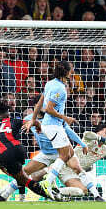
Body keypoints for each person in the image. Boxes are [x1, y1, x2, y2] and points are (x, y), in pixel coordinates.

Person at [0, 100, 88, 202]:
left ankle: (95, 194)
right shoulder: (28, 119)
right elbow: (17, 132)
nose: (45, 107)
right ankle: (3, 193)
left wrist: (82, 144)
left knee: (78, 171)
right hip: (46, 154)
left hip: (62, 152)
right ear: (35, 106)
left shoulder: (53, 118)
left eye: (45, 105)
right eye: (42, 105)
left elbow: (69, 131)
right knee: (24, 173)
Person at [22, 61, 89, 200]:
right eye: (71, 69)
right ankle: (48, 181)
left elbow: (40, 103)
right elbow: (48, 109)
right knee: (65, 155)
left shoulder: (50, 83)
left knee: (68, 153)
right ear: (66, 72)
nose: (73, 71)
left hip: (50, 125)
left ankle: (5, 192)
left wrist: (34, 119)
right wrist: (66, 118)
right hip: (53, 125)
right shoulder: (60, 88)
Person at [0, 99, 49, 201]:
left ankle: (50, 196)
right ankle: (18, 198)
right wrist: (38, 128)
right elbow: (34, 121)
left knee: (24, 180)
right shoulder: (13, 120)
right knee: (20, 175)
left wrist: (0, 167)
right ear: (8, 114)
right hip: (19, 149)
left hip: (4, 155)